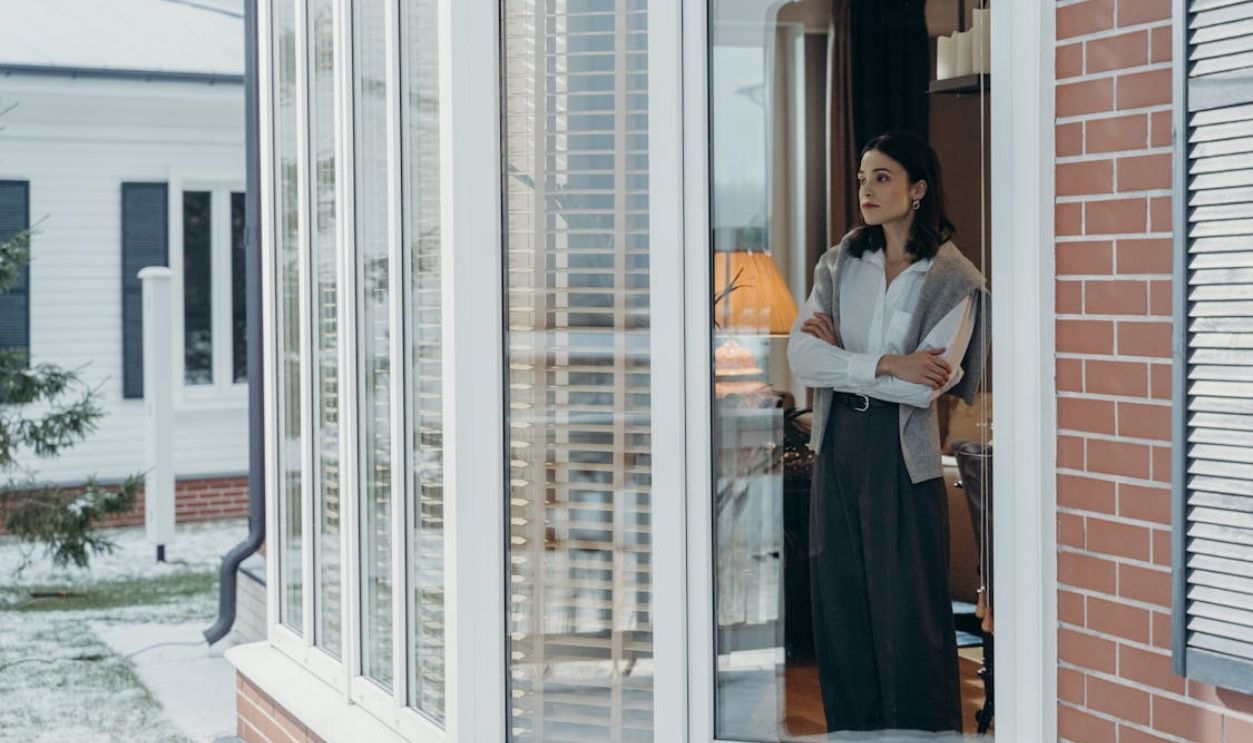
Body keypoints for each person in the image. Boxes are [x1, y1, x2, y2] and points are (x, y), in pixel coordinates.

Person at [787, 130, 988, 733]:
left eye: (881, 178)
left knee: (908, 611)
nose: (866, 191)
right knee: (841, 603)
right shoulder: (839, 262)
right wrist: (883, 363)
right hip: (838, 447)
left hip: (904, 456)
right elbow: (801, 358)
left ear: (917, 189)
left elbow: (924, 386)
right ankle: (853, 732)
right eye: (861, 178)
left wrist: (849, 364)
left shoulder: (954, 279)